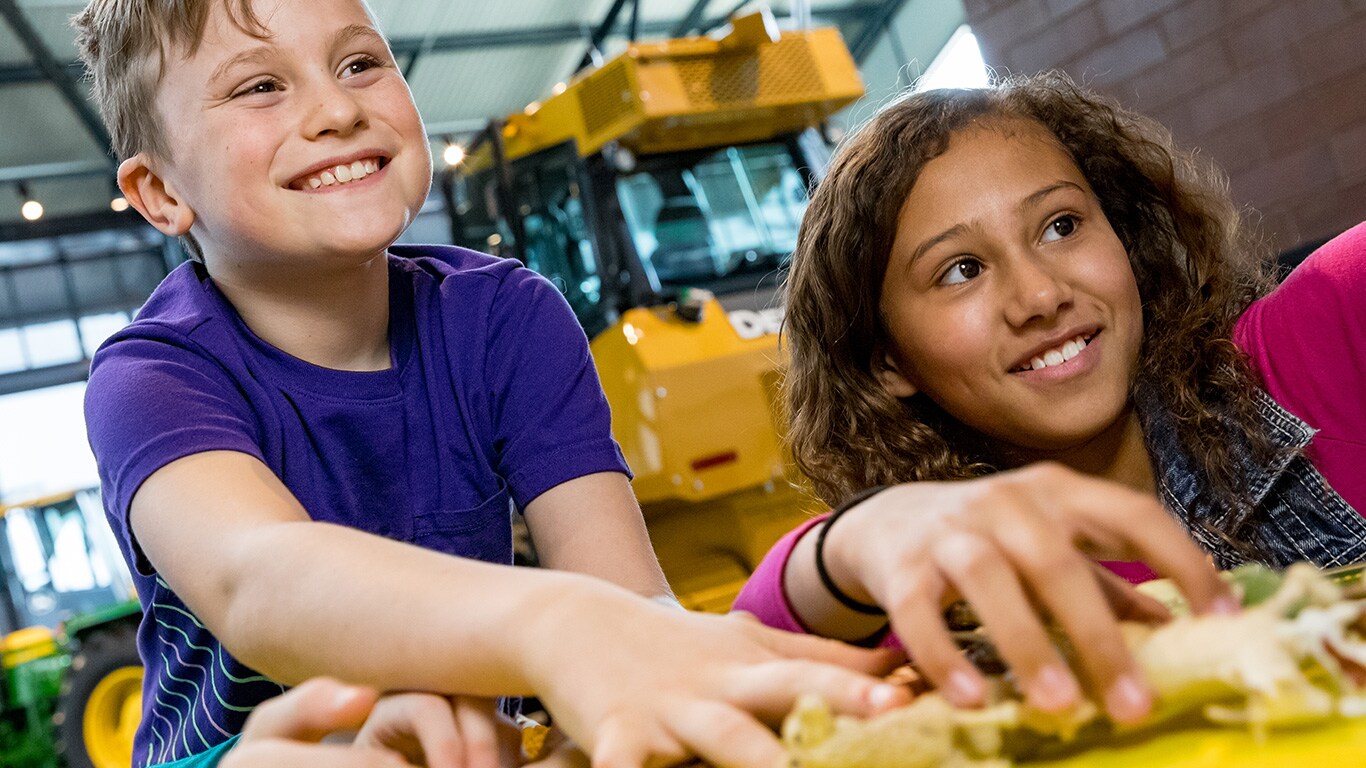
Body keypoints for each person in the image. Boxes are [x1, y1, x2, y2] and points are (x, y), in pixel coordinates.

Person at [73, 0, 910, 765]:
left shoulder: (507, 317)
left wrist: (677, 671)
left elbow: (627, 600)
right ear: (160, 193)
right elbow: (259, 581)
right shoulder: (152, 377)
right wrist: (553, 624)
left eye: (360, 63)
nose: (337, 110)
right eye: (260, 86)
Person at [733, 72, 1366, 729]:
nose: (1040, 296)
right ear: (885, 359)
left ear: (1125, 239)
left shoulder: (1318, 346)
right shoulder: (916, 606)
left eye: (1061, 226)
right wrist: (854, 542)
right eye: (962, 270)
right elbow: (741, 659)